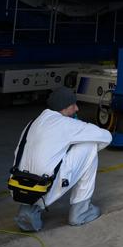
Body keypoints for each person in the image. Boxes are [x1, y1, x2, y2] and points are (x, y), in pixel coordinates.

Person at [14, 87, 112, 232]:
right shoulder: (66, 124)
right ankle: (81, 211)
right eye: (74, 105)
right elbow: (106, 136)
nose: (77, 108)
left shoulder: (33, 122)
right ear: (65, 107)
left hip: (19, 185)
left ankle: (28, 210)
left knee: (41, 163)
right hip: (46, 183)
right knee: (89, 146)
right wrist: (78, 147)